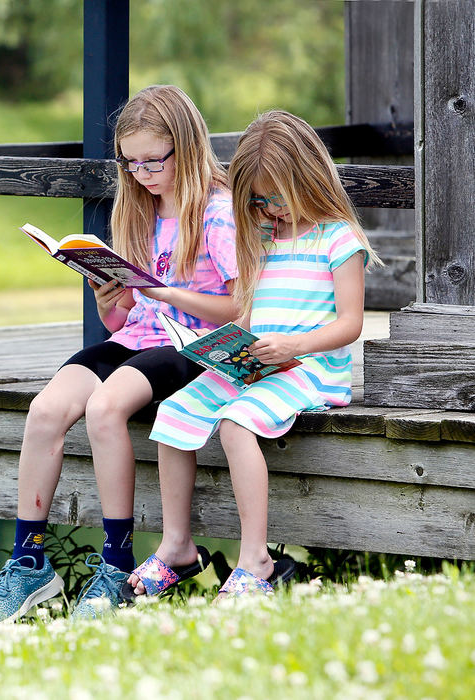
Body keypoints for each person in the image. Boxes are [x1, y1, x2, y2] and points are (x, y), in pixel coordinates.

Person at [0, 85, 238, 624]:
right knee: (46, 410)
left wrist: (167, 293)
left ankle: (117, 562)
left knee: (103, 408)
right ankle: (29, 562)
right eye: (130, 163)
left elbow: (240, 306)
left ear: (185, 148)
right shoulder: (137, 207)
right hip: (138, 338)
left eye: (152, 161)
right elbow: (123, 323)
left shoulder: (217, 211)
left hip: (188, 344)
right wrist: (108, 299)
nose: (141, 174)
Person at [126, 109, 382, 599]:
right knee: (176, 409)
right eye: (259, 200)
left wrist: (295, 345)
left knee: (236, 423)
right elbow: (249, 313)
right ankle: (177, 545)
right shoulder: (261, 237)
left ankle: (255, 560)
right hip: (258, 359)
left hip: (308, 368)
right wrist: (223, 344)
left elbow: (351, 324)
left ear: (308, 178)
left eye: (277, 198)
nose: (270, 209)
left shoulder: (337, 239)